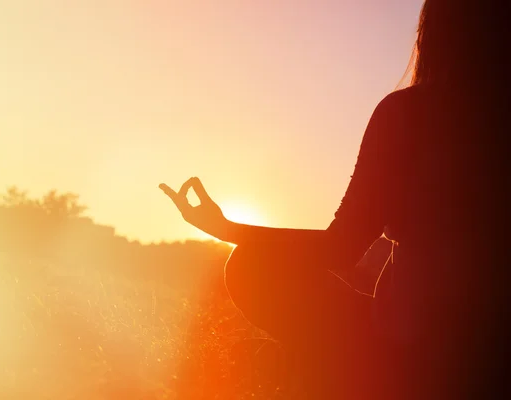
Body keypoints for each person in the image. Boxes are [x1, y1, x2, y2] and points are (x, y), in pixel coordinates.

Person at [160, 0, 509, 398]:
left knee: (249, 265)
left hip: (414, 353)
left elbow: (341, 246)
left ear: (436, 29)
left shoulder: (407, 113)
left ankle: (339, 379)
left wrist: (226, 229)